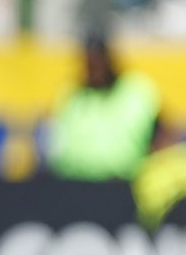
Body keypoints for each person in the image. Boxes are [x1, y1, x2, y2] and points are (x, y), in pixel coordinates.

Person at [46, 32, 164, 181]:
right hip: (75, 183)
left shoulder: (137, 91)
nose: (95, 68)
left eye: (98, 61)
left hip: (125, 184)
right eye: (89, 62)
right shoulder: (71, 95)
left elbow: (162, 135)